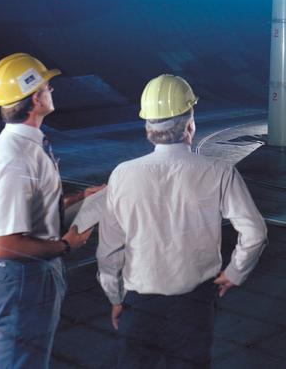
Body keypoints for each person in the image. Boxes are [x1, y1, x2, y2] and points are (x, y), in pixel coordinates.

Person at [96, 74, 267, 368]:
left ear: (148, 128)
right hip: (194, 304)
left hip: (140, 305)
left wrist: (115, 297)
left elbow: (109, 252)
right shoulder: (218, 171)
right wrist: (234, 272)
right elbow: (255, 233)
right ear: (190, 125)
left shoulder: (122, 175)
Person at [0, 52, 106, 369]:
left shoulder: (29, 146)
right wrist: (66, 245)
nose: (52, 91)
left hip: (33, 273)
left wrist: (80, 198)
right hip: (23, 277)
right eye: (48, 86)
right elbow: (5, 245)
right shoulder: (16, 157)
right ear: (35, 98)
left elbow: (32, 210)